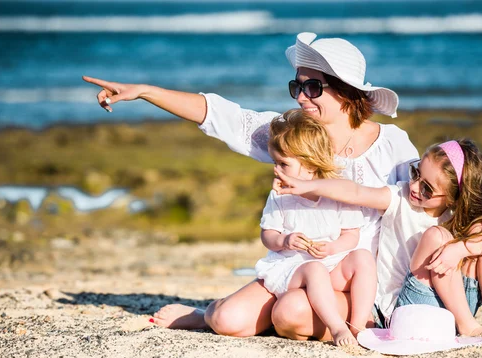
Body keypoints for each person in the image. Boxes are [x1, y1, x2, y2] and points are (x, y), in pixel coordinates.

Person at [83, 32, 419, 341]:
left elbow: (419, 213)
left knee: (291, 314)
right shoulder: (291, 134)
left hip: (356, 282)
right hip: (293, 267)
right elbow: (221, 115)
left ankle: (309, 317)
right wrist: (146, 91)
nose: (301, 97)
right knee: (227, 321)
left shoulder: (390, 144)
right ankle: (205, 314)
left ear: (345, 91)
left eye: (313, 87)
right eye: (296, 86)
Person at [274, 138, 482, 336]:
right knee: (436, 236)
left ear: (454, 197)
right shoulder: (399, 198)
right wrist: (309, 185)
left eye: (427, 188)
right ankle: (467, 327)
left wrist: (460, 249)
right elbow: (355, 191)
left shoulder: (461, 215)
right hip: (405, 307)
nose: (415, 186)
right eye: (416, 173)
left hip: (457, 304)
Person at [257, 109, 375, 346]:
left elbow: (351, 236)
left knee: (362, 257)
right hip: (294, 267)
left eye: (283, 164)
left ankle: (361, 325)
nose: (276, 170)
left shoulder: (336, 192)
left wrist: (332, 248)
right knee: (314, 269)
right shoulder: (279, 196)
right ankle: (338, 327)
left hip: (330, 264)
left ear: (310, 166)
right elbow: (267, 235)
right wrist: (284, 241)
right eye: (275, 162)